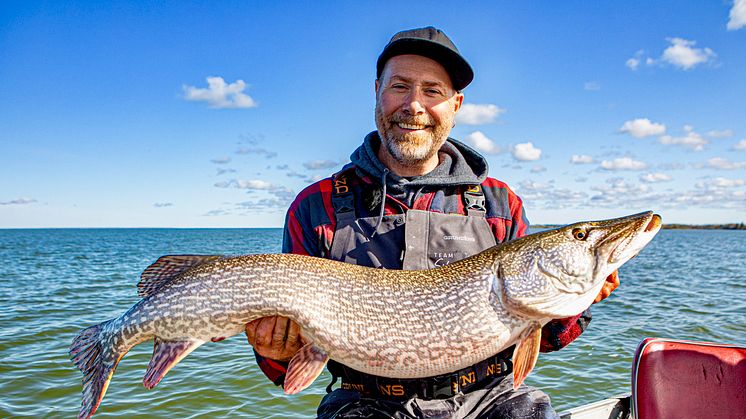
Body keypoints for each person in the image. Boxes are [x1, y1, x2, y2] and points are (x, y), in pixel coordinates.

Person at [246, 26, 620, 418]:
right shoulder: (316, 205)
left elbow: (543, 337)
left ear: (455, 105)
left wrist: (576, 300)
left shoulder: (499, 203)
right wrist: (277, 349)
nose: (414, 105)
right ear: (377, 91)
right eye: (400, 87)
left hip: (490, 397)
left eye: (432, 91)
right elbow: (286, 365)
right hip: (365, 401)